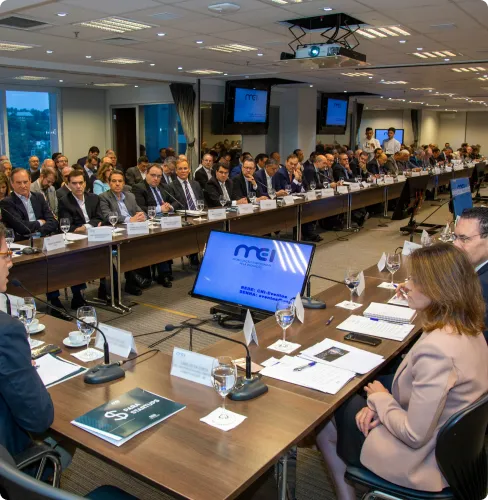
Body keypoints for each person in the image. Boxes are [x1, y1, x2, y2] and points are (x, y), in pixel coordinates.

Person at [317, 244, 488, 499]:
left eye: (414, 280)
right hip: (453, 449)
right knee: (350, 405)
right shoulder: (467, 326)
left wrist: (381, 400)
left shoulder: (438, 349)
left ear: (438, 289)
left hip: (421, 461)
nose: (406, 285)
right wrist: (384, 405)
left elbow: (413, 434)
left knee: (330, 411)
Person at [0, 222, 54, 457]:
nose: (10, 262)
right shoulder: (6, 331)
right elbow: (39, 418)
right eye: (6, 255)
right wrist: (24, 369)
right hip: (9, 457)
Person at [0, 169, 79, 317]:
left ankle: (78, 294)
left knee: (70, 257)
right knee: (46, 264)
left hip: (42, 239)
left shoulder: (38, 197)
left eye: (25, 182)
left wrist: (38, 230)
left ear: (30, 181)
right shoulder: (7, 203)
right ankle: (54, 301)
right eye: (19, 183)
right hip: (22, 244)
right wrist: (40, 222)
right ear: (12, 184)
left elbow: (53, 221)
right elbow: (21, 227)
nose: (23, 185)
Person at [99, 171, 146, 295]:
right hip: (116, 232)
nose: (117, 184)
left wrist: (142, 216)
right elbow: (107, 215)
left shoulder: (130, 196)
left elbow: (140, 211)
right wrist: (129, 219)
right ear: (109, 183)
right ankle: (130, 282)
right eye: (114, 181)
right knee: (129, 249)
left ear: (124, 183)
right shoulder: (104, 197)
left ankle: (135, 280)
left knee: (143, 246)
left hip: (132, 230)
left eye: (120, 181)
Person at [131, 164, 174, 288]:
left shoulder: (163, 187)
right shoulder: (139, 187)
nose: (156, 179)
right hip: (148, 224)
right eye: (153, 175)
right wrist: (160, 208)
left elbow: (175, 201)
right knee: (161, 239)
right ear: (146, 174)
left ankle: (165, 271)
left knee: (172, 236)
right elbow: (140, 208)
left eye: (159, 176)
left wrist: (170, 207)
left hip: (165, 221)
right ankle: (163, 273)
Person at [453, 207, 488, 342]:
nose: (455, 245)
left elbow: (471, 337)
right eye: (455, 237)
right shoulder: (478, 269)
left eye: (464, 239)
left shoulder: (482, 286)